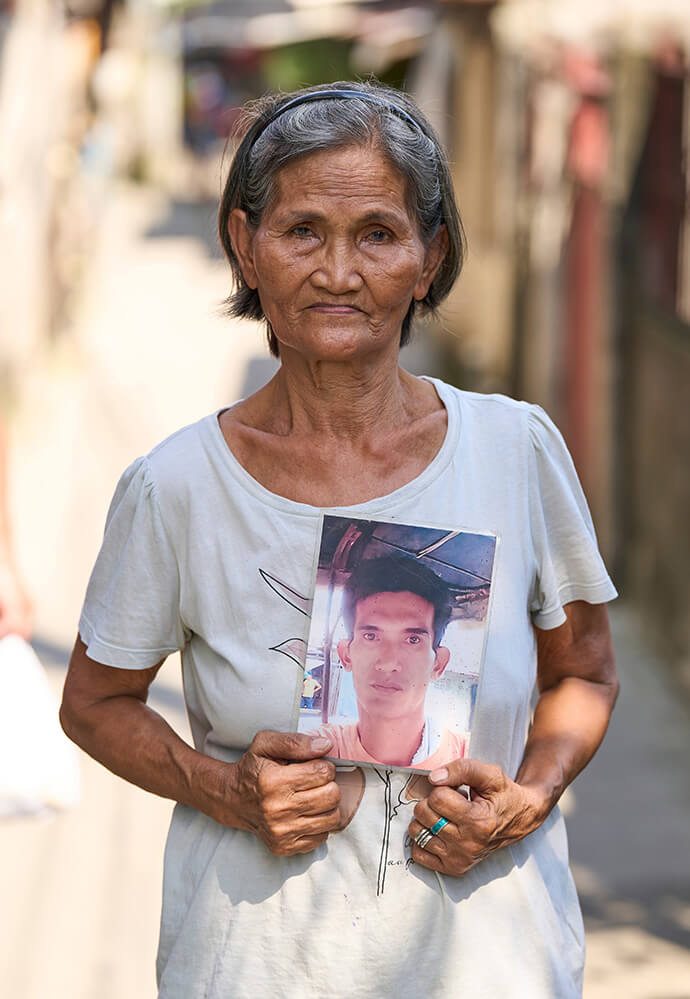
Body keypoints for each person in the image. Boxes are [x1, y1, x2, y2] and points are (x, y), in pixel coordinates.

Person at [59, 81, 619, 998]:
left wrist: (528, 796)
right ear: (245, 244)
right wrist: (222, 788)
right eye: (302, 230)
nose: (339, 272)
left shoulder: (515, 449)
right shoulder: (178, 485)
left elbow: (585, 672)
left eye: (378, 235)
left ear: (431, 257)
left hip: (488, 966)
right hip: (254, 966)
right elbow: (91, 701)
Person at [315, 554, 467, 768]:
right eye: (371, 636)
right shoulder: (314, 750)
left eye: (413, 640)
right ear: (345, 655)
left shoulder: (470, 760)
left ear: (438, 664)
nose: (388, 663)